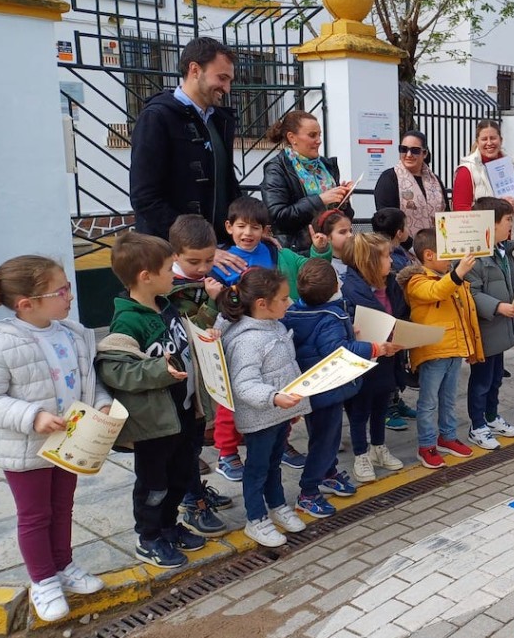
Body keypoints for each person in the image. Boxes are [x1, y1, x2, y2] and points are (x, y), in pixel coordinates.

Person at [0, 256, 110, 622]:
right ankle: (42, 580)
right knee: (34, 516)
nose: (69, 295)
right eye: (61, 290)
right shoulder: (2, 343)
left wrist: (102, 404)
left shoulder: (72, 332)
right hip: (27, 449)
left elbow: (89, 378)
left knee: (63, 508)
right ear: (26, 304)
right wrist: (33, 416)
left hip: (69, 444)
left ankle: (64, 565)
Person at [95, 232, 207, 568]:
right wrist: (159, 370)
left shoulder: (166, 304)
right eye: (169, 269)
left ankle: (170, 526)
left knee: (180, 476)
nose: (174, 274)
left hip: (184, 413)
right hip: (156, 424)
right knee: (153, 484)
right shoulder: (128, 320)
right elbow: (116, 370)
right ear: (146, 276)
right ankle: (149, 536)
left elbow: (187, 338)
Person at [209, 198, 323, 480]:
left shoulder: (272, 252)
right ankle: (227, 453)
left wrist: (320, 251)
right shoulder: (220, 259)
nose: (248, 233)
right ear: (228, 227)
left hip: (273, 335)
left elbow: (301, 271)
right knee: (232, 401)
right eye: (241, 226)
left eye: (255, 227)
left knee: (281, 391)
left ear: (266, 229)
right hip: (238, 339)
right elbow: (218, 303)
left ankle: (281, 443)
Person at [283, 259, 397, 515]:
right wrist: (375, 348)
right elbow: (337, 351)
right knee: (325, 440)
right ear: (335, 288)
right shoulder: (330, 317)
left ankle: (328, 471)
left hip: (311, 390)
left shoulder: (296, 313)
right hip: (328, 389)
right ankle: (309, 491)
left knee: (321, 436)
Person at [215, 268, 310, 547]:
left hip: (279, 413)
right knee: (256, 469)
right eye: (283, 298)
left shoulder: (275, 325)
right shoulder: (246, 340)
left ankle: (278, 505)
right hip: (260, 417)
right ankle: (256, 519)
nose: (289, 302)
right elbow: (243, 385)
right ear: (262, 304)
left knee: (273, 463)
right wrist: (273, 397)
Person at [129, 37, 242, 265]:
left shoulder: (219, 120)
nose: (227, 88)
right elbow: (145, 198)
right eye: (222, 78)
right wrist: (199, 247)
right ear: (195, 69)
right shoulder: (157, 118)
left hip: (218, 252)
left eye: (229, 80)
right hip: (171, 260)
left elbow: (227, 185)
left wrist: (253, 225)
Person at [165, 216, 233, 538]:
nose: (203, 267)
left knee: (194, 441)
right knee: (187, 445)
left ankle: (196, 492)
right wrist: (212, 301)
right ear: (174, 255)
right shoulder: (170, 291)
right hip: (182, 376)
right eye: (194, 261)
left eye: (209, 259)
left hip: (203, 374)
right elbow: (193, 330)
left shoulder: (205, 279)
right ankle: (192, 502)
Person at [395, 230, 482, 469]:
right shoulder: (417, 281)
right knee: (428, 402)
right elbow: (436, 292)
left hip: (454, 348)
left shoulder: (448, 276)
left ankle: (448, 437)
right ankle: (426, 446)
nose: (452, 260)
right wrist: (458, 273)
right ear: (429, 255)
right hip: (433, 351)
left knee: (449, 398)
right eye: (448, 254)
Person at [339, 234, 411, 482]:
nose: (391, 261)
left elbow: (400, 315)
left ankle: (379, 447)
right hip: (363, 361)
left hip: (388, 359)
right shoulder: (349, 291)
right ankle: (362, 453)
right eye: (385, 256)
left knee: (382, 406)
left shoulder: (390, 284)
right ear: (368, 262)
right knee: (359, 411)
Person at [465, 197, 514, 449]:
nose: (510, 225)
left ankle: (491, 417)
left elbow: (510, 281)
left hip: (501, 328)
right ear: (489, 224)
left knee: (496, 378)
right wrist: (498, 306)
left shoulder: (505, 251)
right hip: (485, 329)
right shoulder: (473, 256)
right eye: (507, 220)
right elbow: (471, 292)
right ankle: (477, 425)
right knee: (481, 381)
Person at [262, 111, 355, 254]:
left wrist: (343, 201)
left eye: (319, 135)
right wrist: (320, 200)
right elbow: (278, 216)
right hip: (299, 253)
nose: (318, 140)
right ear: (292, 137)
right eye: (312, 135)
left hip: (333, 250)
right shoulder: (277, 169)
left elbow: (344, 216)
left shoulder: (326, 166)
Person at [368, 207, 417, 432]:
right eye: (405, 226)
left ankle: (396, 400)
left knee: (399, 363)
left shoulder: (397, 252)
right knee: (388, 366)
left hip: (400, 317)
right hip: (388, 319)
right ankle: (387, 408)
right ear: (399, 232)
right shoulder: (389, 256)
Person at [452, 120, 514, 222]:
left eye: (493, 138)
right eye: (484, 139)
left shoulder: (510, 168)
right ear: (477, 142)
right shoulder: (466, 170)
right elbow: (460, 212)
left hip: (509, 236)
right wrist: (494, 215)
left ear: (501, 140)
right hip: (481, 235)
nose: (489, 143)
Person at [374, 130, 449, 238]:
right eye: (403, 149)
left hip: (436, 246)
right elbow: (386, 219)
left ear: (425, 153)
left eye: (415, 150)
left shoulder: (435, 181)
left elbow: (446, 214)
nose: (409, 154)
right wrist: (413, 248)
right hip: (402, 248)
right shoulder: (389, 178)